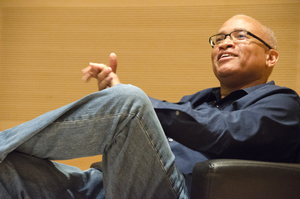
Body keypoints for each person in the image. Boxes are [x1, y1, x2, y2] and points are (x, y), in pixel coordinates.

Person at [0, 14, 299, 199]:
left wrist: (128, 102)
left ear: (270, 57)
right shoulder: (199, 100)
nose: (224, 43)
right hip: (110, 183)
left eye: (239, 36)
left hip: (175, 193)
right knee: (9, 170)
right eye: (218, 38)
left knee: (130, 100)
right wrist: (119, 100)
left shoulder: (283, 104)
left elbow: (223, 133)